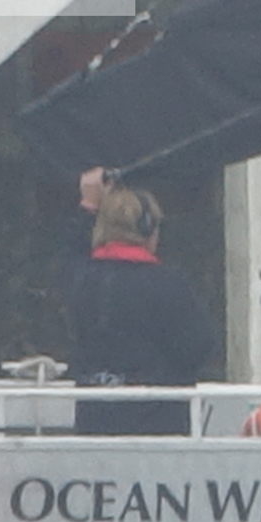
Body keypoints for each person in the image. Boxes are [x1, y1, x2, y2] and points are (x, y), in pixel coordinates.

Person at [66, 169, 218, 435]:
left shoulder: (81, 280)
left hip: (92, 429)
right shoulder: (168, 285)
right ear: (149, 230)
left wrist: (88, 205)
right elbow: (201, 347)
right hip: (157, 431)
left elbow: (72, 252)